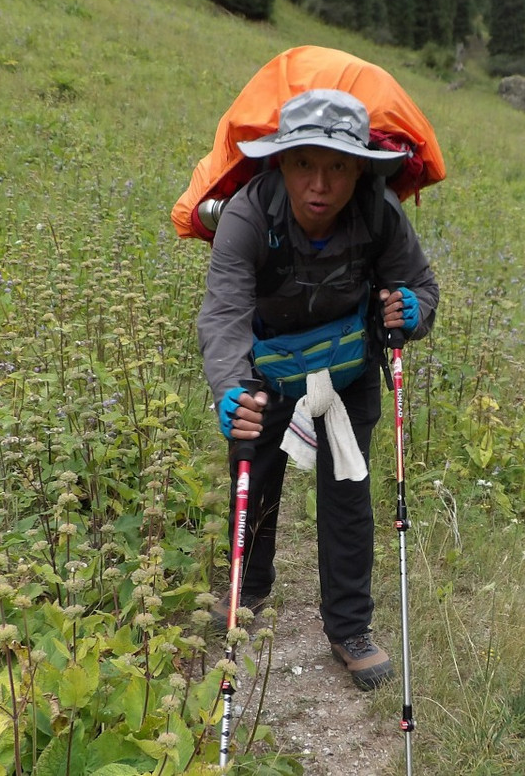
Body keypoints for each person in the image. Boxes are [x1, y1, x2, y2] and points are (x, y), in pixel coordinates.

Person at [197, 87, 439, 690]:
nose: (321, 184)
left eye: (338, 166)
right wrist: (231, 389)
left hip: (346, 369)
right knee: (255, 472)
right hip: (265, 368)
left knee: (348, 491)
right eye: (305, 162)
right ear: (281, 161)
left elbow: (422, 288)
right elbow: (223, 315)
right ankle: (246, 594)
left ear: (360, 168)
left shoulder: (380, 213)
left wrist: (412, 309)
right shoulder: (249, 215)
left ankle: (349, 629)